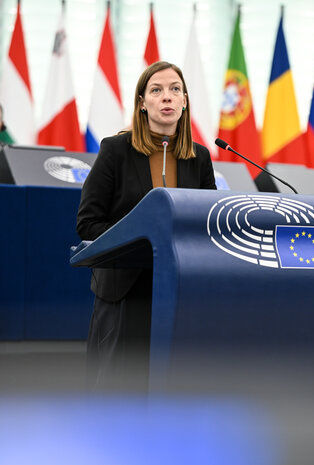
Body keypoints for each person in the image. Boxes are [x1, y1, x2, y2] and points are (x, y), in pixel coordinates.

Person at [77, 61, 216, 390]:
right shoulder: (116, 151)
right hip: (125, 292)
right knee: (119, 394)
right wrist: (137, 244)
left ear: (185, 102)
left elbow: (206, 226)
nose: (166, 97)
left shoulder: (200, 157)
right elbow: (88, 223)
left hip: (179, 294)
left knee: (173, 393)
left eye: (175, 90)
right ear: (142, 103)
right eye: (156, 90)